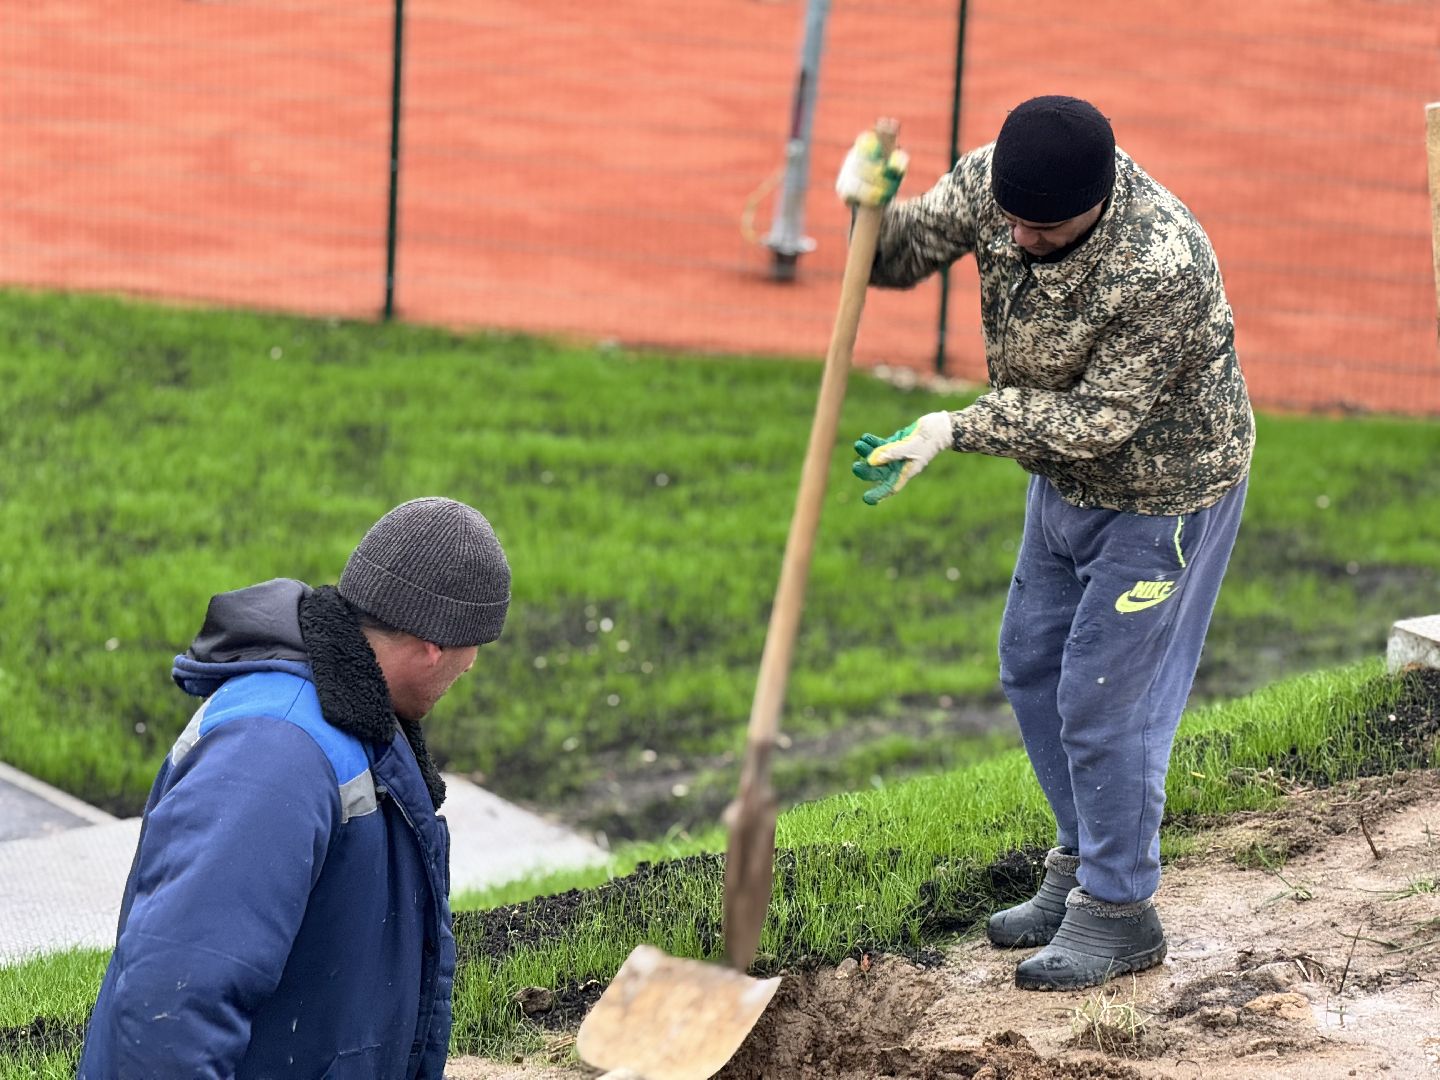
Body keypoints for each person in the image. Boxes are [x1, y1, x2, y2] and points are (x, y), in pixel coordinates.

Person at [836, 96, 1254, 991]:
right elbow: (903, 257)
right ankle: (1080, 865)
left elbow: (1101, 419)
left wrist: (955, 427)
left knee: (1108, 701)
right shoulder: (1000, 180)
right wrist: (866, 210)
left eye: (1045, 229)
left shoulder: (1161, 261)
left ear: (1096, 203)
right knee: (1030, 664)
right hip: (1061, 482)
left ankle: (1120, 907)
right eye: (1013, 223)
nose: (1021, 239)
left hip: (1161, 497)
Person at [78, 496, 511, 1078]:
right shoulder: (276, 751)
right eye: (473, 644)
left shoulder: (353, 725)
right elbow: (172, 1005)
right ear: (435, 645)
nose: (473, 664)